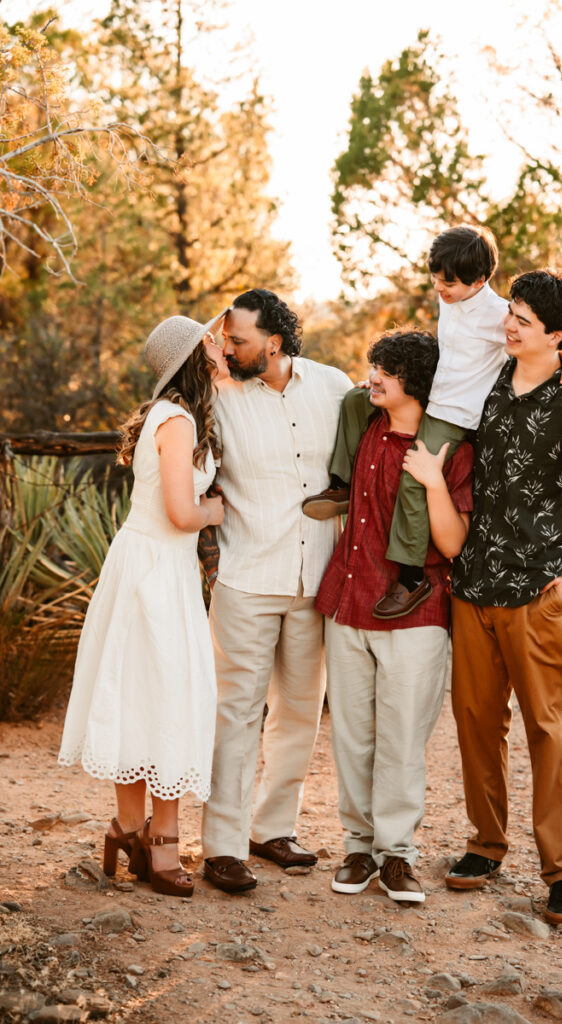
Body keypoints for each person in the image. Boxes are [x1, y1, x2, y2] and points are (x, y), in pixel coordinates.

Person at [447, 268, 562, 925]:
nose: (508, 324)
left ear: (555, 334)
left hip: (539, 591)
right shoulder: (487, 376)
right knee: (473, 725)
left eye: (522, 319)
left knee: (548, 733)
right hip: (472, 583)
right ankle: (484, 847)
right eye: (512, 313)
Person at [303, 225, 562, 619]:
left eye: (448, 282)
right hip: (433, 393)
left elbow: (537, 341)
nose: (439, 287)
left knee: (413, 478)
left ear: (481, 280)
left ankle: (411, 574)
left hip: (453, 414)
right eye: (435, 277)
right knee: (356, 399)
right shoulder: (450, 297)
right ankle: (341, 485)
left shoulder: (496, 315)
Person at [58, 313, 229, 898]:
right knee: (163, 697)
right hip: (155, 571)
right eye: (212, 340)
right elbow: (183, 513)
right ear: (194, 357)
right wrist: (214, 512)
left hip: (155, 567)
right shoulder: (178, 420)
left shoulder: (176, 416)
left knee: (145, 695)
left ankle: (130, 829)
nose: (221, 344)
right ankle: (159, 842)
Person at [200, 288, 353, 894]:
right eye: (224, 336)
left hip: (316, 578)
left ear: (275, 342)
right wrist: (209, 347)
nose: (227, 346)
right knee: (236, 712)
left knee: (297, 711)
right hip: (247, 575)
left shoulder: (334, 385)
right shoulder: (216, 393)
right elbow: (166, 393)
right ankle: (222, 846)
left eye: (237, 338)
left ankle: (272, 829)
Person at [316, 329, 473, 903]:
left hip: (417, 611)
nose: (373, 376)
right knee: (353, 738)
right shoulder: (364, 427)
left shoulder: (451, 446)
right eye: (373, 365)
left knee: (402, 740)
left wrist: (431, 480)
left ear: (418, 380)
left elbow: (453, 545)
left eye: (386, 369)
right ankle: (359, 847)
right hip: (350, 601)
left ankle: (398, 854)